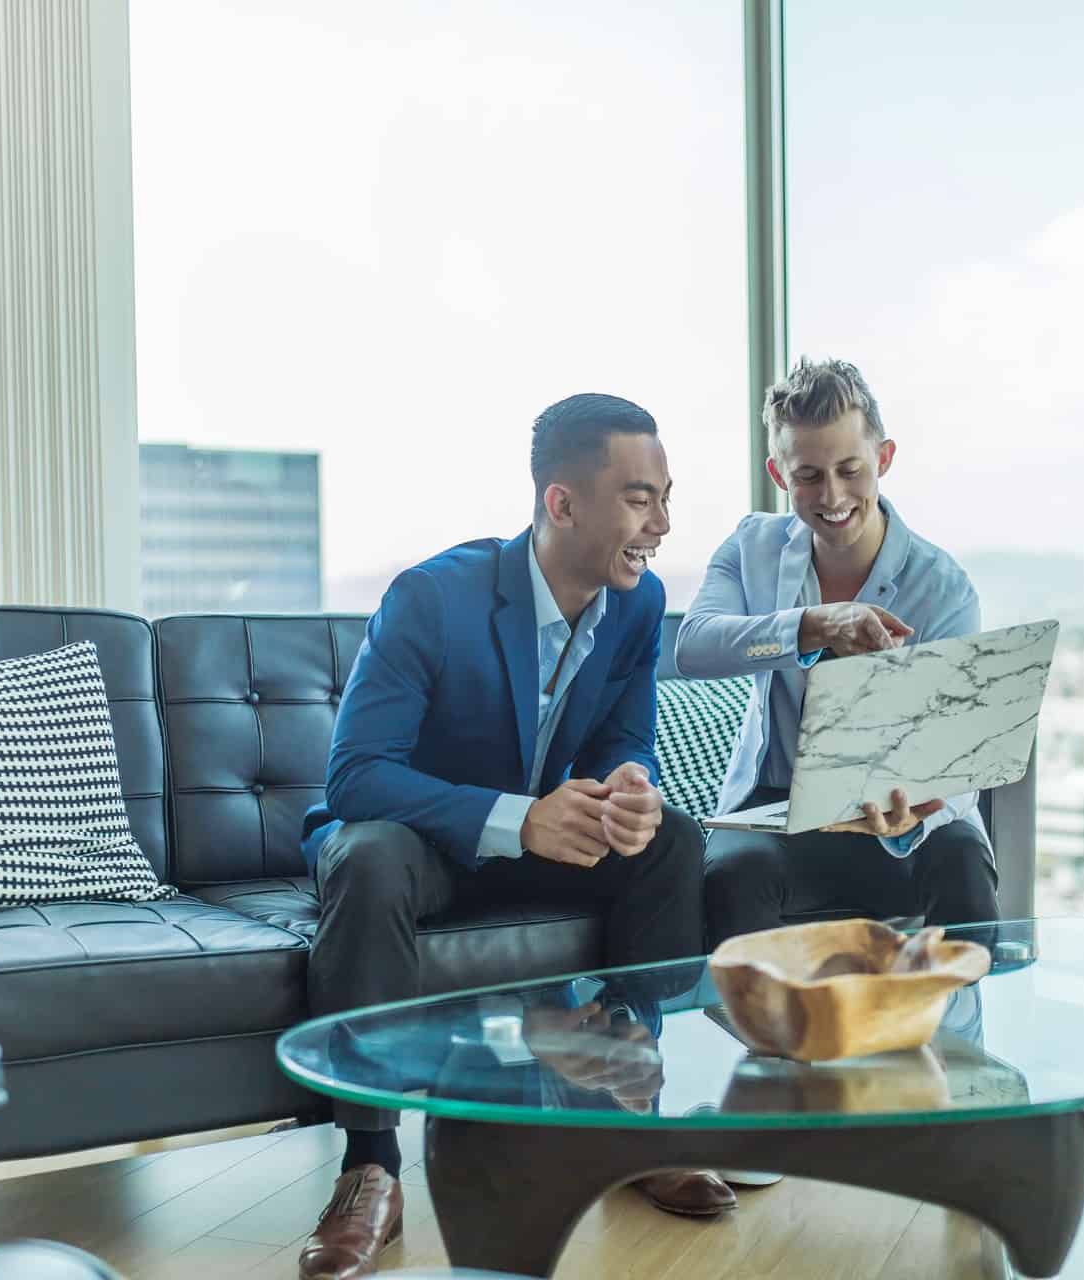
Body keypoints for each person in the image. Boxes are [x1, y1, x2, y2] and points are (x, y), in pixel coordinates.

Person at [294, 393, 727, 1280]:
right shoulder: (432, 597)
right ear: (562, 503)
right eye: (641, 498)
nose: (664, 523)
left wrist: (632, 783)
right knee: (368, 859)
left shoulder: (639, 606)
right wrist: (515, 817)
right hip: (425, 847)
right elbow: (356, 777)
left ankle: (626, 1109)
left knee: (671, 841)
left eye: (667, 496)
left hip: (546, 845)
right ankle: (369, 1167)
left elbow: (623, 737)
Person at [676, 357, 1001, 953]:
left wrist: (917, 812)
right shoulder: (751, 548)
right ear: (778, 473)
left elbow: (961, 758)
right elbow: (694, 646)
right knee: (732, 874)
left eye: (850, 469)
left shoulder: (943, 587)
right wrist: (811, 626)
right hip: (777, 809)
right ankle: (757, 1044)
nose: (832, 496)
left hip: (898, 813)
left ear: (884, 458)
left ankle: (961, 1042)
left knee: (961, 859)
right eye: (808, 476)